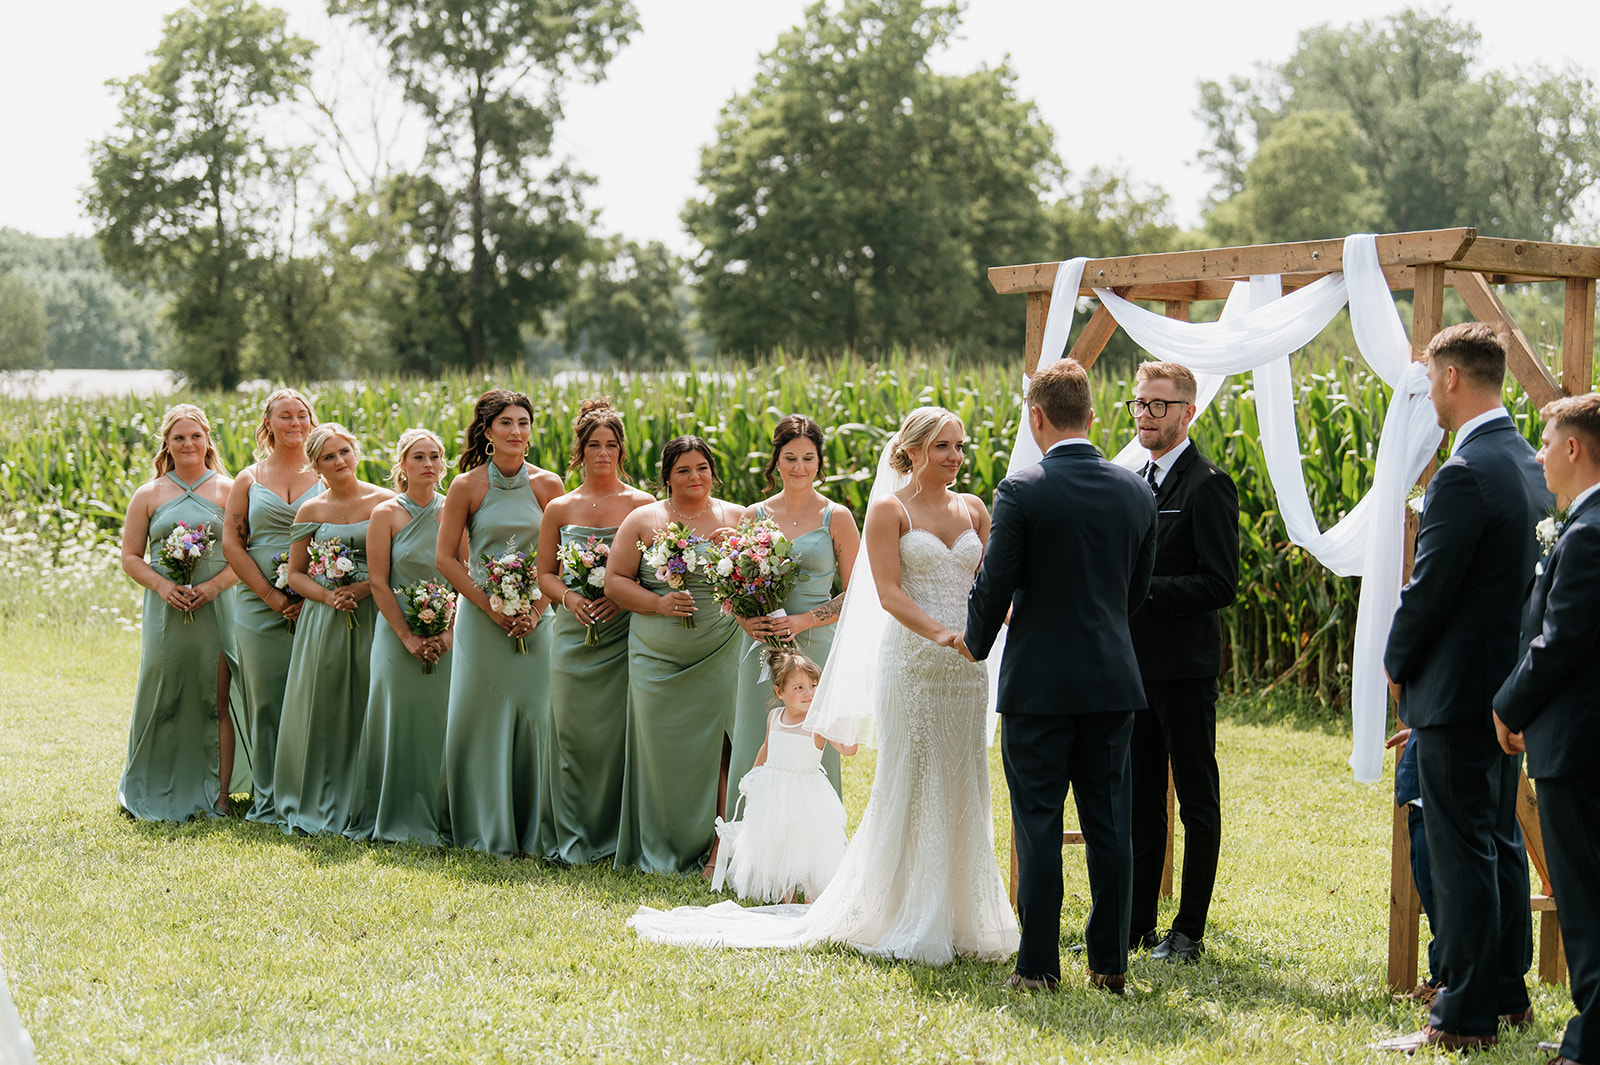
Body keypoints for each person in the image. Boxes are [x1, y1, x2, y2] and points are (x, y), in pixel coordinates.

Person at [629, 407, 1020, 965]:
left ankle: (963, 916)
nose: (956, 457)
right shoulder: (889, 508)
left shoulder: (976, 509)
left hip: (967, 668)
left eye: (960, 446)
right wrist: (943, 635)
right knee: (910, 780)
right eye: (943, 447)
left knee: (963, 781)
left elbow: (988, 585)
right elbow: (884, 591)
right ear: (911, 451)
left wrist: (1007, 622)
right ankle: (900, 909)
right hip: (915, 659)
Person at [1378, 322, 1548, 1053]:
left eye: (1431, 380)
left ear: (1451, 377)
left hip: (1453, 691)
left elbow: (1430, 587)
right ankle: (1507, 993)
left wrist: (1395, 659)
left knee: (1460, 851)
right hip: (1506, 686)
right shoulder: (1528, 462)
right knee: (1497, 840)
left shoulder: (1464, 470)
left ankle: (1463, 1014)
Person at [964, 358, 1158, 993]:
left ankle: (1039, 968)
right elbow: (1136, 593)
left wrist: (975, 641)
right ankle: (1110, 965)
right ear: (1094, 417)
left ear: (1036, 415)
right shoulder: (1137, 489)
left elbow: (995, 584)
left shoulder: (1022, 489)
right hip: (1111, 681)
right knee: (1110, 827)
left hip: (1040, 687)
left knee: (1038, 823)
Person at [1493, 392, 1600, 1065]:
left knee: (1585, 898)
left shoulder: (1588, 533)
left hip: (1578, 741)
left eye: (1545, 439)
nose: (1536, 454)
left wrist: (1509, 706)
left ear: (1574, 447)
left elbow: (1561, 641)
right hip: (1579, 732)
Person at [1125, 361, 1239, 962]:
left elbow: (1220, 583)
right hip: (1133, 668)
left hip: (1187, 669)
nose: (1145, 415)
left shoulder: (1207, 483)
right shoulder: (1130, 477)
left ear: (1187, 412)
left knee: (1196, 799)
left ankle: (1189, 929)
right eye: (1139, 404)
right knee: (1141, 798)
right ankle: (1139, 921)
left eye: (1158, 405)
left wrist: (1144, 590)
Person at [606, 436, 744, 876]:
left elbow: (753, 578)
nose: (694, 477)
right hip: (656, 655)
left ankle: (718, 847)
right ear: (667, 476)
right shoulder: (644, 519)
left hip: (721, 649)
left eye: (702, 467)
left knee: (722, 748)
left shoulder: (738, 517)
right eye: (683, 470)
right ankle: (660, 842)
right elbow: (615, 582)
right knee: (660, 749)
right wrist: (659, 603)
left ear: (713, 471)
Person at [436, 389, 564, 859]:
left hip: (538, 616)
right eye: (506, 423)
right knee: (479, 716)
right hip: (479, 617)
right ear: (488, 431)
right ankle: (480, 826)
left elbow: (559, 559)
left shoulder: (549, 486)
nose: (516, 432)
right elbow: (446, 558)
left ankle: (536, 829)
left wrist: (536, 607)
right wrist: (489, 605)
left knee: (538, 716)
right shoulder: (465, 487)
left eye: (523, 423)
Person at [534, 399, 654, 864]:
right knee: (573, 733)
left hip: (625, 633)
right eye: (593, 445)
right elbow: (545, 574)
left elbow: (652, 572)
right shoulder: (560, 508)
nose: (602, 452)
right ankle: (573, 834)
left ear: (622, 451)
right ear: (579, 451)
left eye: (611, 444)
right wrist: (571, 597)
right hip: (572, 634)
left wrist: (618, 591)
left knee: (618, 734)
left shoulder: (642, 505)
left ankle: (616, 833)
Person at [726, 415, 860, 815]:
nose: (799, 467)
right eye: (790, 458)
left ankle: (817, 849)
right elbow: (732, 588)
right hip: (762, 648)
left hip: (816, 647)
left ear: (819, 462)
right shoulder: (753, 516)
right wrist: (746, 621)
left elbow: (855, 595)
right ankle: (743, 842)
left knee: (815, 745)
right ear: (776, 462)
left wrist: (804, 621)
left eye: (808, 457)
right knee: (757, 737)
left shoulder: (836, 517)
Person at [117, 404, 241, 820]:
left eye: (195, 436)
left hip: (218, 607)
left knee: (216, 697)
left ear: (207, 440)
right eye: (178, 438)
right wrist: (165, 585)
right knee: (163, 692)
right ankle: (150, 783)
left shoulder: (230, 491)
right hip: (164, 609)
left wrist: (210, 587)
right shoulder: (148, 494)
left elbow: (244, 555)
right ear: (167, 445)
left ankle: (220, 795)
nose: (188, 444)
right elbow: (131, 556)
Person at [274, 424, 394, 836]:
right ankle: (322, 791)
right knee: (325, 704)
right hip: (324, 619)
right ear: (315, 465)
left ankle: (372, 795)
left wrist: (360, 589)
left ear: (356, 452)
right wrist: (328, 597)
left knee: (371, 699)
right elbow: (296, 573)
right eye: (328, 456)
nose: (340, 461)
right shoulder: (311, 511)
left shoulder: (386, 502)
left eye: (345, 451)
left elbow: (397, 566)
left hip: (376, 613)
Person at [347, 428, 457, 845]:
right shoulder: (385, 513)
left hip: (447, 635)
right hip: (395, 633)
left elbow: (463, 577)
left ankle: (440, 812)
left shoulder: (453, 511)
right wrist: (407, 637)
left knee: (440, 720)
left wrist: (446, 632)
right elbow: (377, 581)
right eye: (418, 457)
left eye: (435, 456)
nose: (428, 464)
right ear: (402, 465)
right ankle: (389, 811)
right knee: (394, 717)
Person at [222, 388, 321, 823]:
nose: (295, 422)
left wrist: (313, 590)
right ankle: (269, 794)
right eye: (285, 416)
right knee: (264, 698)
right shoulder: (248, 478)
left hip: (317, 603)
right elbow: (233, 544)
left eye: (302, 415)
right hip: (258, 604)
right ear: (269, 424)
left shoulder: (326, 473)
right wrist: (271, 595)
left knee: (315, 696)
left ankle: (312, 789)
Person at [719, 650, 855, 904]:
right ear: (780, 692)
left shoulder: (818, 723)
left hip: (808, 795)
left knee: (809, 847)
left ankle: (811, 902)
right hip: (775, 793)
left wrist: (843, 717)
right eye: (799, 687)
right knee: (779, 846)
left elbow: (849, 749)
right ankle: (786, 902)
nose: (809, 693)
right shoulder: (775, 717)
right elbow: (766, 748)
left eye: (814, 686)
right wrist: (753, 775)